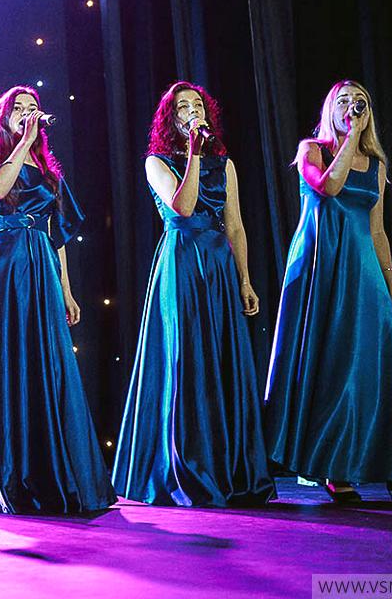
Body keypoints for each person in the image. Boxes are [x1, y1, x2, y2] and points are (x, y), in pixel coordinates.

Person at [263, 80, 392, 503]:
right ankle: (336, 468)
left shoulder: (376, 164)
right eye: (343, 100)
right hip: (322, 265)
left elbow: (377, 231)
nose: (351, 106)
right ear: (331, 110)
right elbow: (329, 187)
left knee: (388, 360)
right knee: (335, 363)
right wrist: (348, 139)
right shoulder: (312, 150)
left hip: (362, 265)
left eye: (359, 101)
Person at [0, 86, 115, 514]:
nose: (27, 115)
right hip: (1, 264)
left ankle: (53, 472)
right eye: (18, 109)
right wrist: (22, 145)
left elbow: (55, 234)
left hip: (40, 266)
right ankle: (5, 477)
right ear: (4, 119)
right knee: (1, 364)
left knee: (47, 364)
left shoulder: (49, 173)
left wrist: (66, 288)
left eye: (33, 109)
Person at [113, 81, 275, 507]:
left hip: (218, 265)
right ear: (172, 118)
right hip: (182, 261)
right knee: (187, 359)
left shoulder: (226, 164)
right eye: (183, 106)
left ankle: (229, 467)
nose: (192, 110)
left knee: (221, 361)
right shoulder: (156, 162)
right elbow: (183, 207)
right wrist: (193, 153)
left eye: (197, 104)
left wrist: (244, 279)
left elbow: (235, 225)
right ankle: (186, 466)